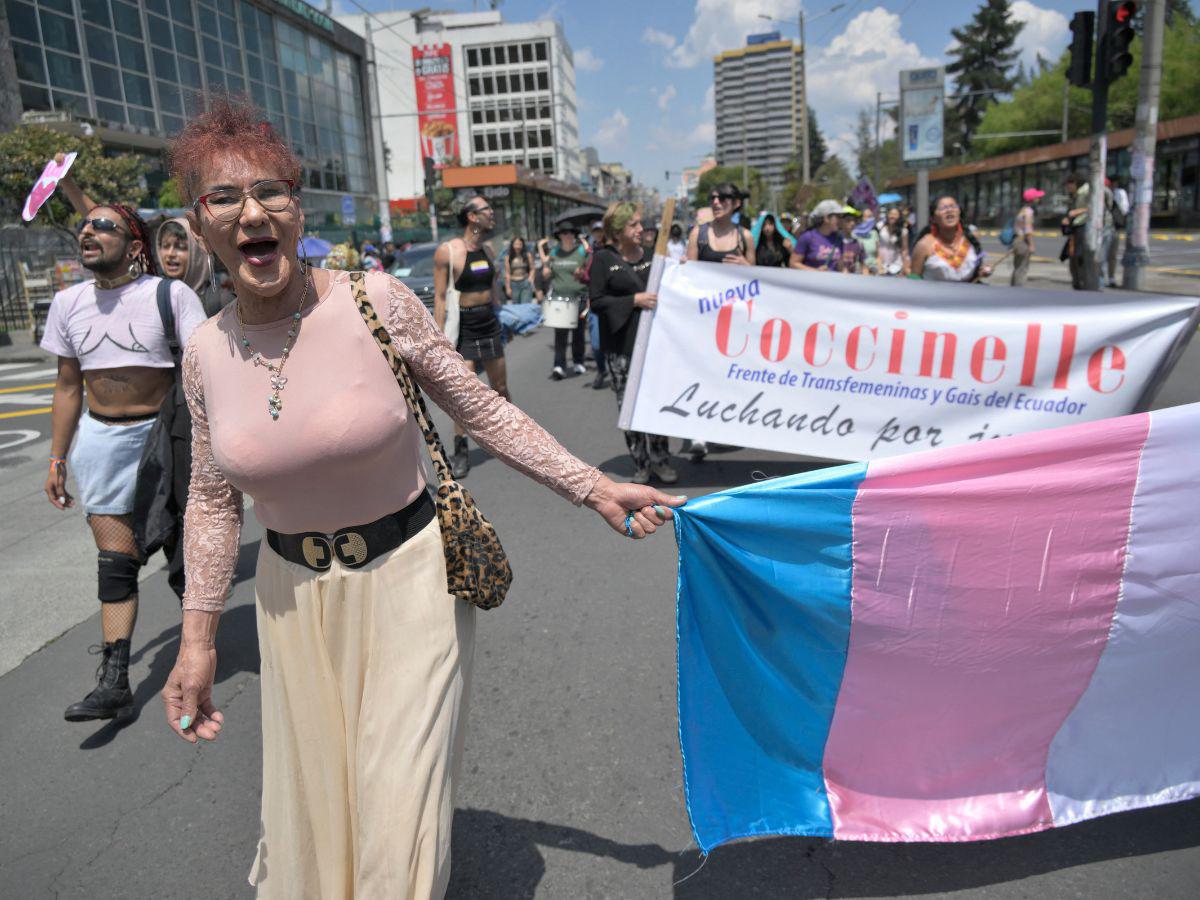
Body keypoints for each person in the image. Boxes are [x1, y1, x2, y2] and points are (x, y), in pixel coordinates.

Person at [162, 98, 684, 900]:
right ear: (199, 227)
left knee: (396, 802)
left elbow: (480, 408)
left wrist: (592, 486)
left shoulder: (374, 300)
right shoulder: (204, 351)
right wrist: (198, 640)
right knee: (320, 801)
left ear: (298, 209)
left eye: (271, 191)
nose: (251, 212)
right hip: (289, 604)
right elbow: (208, 499)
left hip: (409, 580)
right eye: (222, 197)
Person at [42, 201, 206, 724]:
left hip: (167, 440)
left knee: (187, 564)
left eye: (103, 225)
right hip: (100, 440)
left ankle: (197, 659)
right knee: (116, 565)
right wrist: (57, 457)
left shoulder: (169, 294)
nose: (88, 231)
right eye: (85, 225)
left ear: (135, 247)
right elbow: (68, 385)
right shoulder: (67, 303)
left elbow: (206, 372)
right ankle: (115, 681)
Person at [590, 201, 678, 485]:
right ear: (618, 230)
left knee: (656, 404)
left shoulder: (654, 256)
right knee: (628, 405)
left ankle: (662, 461)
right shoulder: (604, 259)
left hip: (654, 345)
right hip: (621, 346)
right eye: (634, 225)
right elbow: (597, 301)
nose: (642, 229)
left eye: (641, 224)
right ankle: (641, 463)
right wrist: (633, 301)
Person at [433, 195, 506, 479]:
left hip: (489, 321)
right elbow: (440, 298)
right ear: (472, 217)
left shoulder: (487, 249)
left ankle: (507, 437)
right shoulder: (448, 251)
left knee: (500, 387)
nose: (492, 213)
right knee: (465, 394)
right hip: (464, 326)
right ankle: (461, 448)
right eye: (487, 209)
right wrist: (439, 342)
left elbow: (493, 285)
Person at [539, 225, 589, 380]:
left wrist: (582, 272)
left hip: (579, 297)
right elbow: (546, 270)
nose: (568, 235)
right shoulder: (555, 252)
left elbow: (588, 269)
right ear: (559, 236)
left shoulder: (580, 251)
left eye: (571, 233)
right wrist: (546, 272)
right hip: (560, 299)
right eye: (564, 233)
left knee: (578, 333)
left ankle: (578, 361)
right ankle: (559, 366)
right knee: (560, 335)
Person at [911, 196, 993, 282]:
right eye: (942, 208)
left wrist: (983, 271)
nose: (949, 210)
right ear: (933, 219)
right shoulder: (924, 245)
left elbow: (978, 268)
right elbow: (914, 279)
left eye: (953, 206)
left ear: (959, 212)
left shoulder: (971, 237)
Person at [687, 183, 754, 266]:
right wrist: (683, 265)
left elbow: (754, 276)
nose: (715, 202)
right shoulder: (697, 233)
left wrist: (745, 265)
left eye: (722, 198)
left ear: (736, 203)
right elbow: (689, 273)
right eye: (712, 198)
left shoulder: (746, 236)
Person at [790, 200, 843, 271]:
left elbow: (840, 267)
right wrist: (816, 271)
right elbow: (793, 263)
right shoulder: (807, 237)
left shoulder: (839, 238)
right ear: (826, 218)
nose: (841, 220)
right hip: (812, 281)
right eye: (838, 216)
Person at [1012, 188, 1042, 287]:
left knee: (1017, 267)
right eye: (1037, 197)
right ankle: (1018, 290)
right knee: (1022, 268)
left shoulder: (1022, 210)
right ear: (1032, 199)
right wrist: (1031, 245)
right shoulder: (1029, 212)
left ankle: (1014, 288)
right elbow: (1028, 229)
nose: (1039, 199)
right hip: (1023, 242)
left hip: (1017, 241)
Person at [876, 207, 910, 276]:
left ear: (899, 216)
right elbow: (877, 245)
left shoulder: (903, 231)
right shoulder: (880, 226)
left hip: (896, 265)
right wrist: (878, 263)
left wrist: (905, 266)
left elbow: (904, 249)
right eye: (891, 214)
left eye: (895, 214)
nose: (892, 216)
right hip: (881, 264)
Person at [504, 236, 537, 304]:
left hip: (525, 282)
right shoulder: (508, 257)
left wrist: (531, 278)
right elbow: (507, 273)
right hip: (514, 284)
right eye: (516, 244)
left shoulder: (527, 255)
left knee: (526, 305)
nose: (518, 246)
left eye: (520, 244)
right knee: (516, 307)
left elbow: (532, 268)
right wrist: (508, 288)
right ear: (512, 245)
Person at [837, 206, 865, 274]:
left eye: (854, 221)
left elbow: (863, 266)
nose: (852, 223)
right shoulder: (833, 241)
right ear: (840, 222)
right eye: (848, 220)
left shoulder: (858, 243)